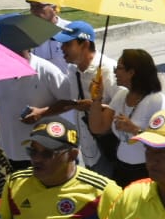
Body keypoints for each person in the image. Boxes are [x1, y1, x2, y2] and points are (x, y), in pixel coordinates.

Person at [32, 21, 118, 175]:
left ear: (84, 44)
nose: (62, 48)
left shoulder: (108, 70)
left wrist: (95, 106)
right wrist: (42, 112)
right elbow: (72, 103)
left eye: (67, 44)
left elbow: (125, 109)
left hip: (110, 148)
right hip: (87, 150)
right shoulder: (72, 69)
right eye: (61, 44)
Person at [87, 49, 165, 187]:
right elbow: (98, 128)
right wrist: (96, 100)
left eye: (119, 68)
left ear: (132, 72)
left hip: (147, 172)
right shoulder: (121, 96)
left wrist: (134, 129)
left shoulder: (157, 101)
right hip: (122, 169)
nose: (115, 72)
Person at [0, 45, 70, 171]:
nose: (12, 54)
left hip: (42, 155)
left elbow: (70, 102)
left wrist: (42, 113)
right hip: (8, 151)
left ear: (27, 47)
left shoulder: (46, 70)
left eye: (17, 49)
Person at [27, 0, 73, 68]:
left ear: (54, 8)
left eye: (38, 6)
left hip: (66, 78)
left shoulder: (71, 30)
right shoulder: (27, 30)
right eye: (32, 6)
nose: (33, 10)